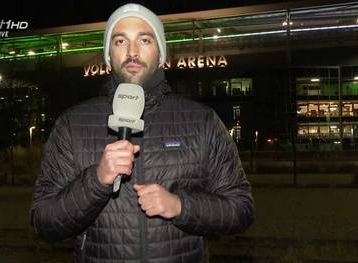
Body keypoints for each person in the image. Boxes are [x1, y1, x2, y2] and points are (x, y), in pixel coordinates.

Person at [30, 3, 254, 263]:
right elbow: (43, 222)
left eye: (145, 40)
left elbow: (241, 210)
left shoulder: (202, 120)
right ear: (108, 55)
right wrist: (96, 180)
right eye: (120, 41)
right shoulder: (72, 124)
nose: (132, 52)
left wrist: (180, 206)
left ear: (160, 54)